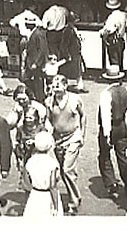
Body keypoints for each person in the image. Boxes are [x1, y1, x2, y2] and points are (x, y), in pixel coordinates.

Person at [45, 74, 85, 215]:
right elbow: (49, 120)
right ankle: (75, 195)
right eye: (53, 86)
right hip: (57, 140)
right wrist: (49, 132)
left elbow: (83, 116)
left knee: (67, 169)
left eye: (58, 85)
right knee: (63, 171)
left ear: (65, 86)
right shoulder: (49, 102)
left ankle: (73, 203)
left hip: (73, 138)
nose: (55, 88)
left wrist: (82, 134)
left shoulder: (75, 100)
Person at [98, 68, 127, 200]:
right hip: (123, 126)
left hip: (110, 127)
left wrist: (106, 133)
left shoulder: (106, 94)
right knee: (124, 156)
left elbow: (105, 115)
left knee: (105, 155)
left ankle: (111, 183)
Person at [6, 84, 49, 190]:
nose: (21, 101)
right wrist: (16, 112)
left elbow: (44, 127)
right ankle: (25, 183)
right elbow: (8, 125)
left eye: (23, 99)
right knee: (22, 165)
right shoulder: (17, 109)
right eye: (18, 99)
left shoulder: (39, 108)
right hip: (21, 141)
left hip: (36, 141)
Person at [21, 131, 62, 217]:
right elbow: (52, 186)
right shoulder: (52, 163)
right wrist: (55, 206)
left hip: (34, 195)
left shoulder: (30, 162)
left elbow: (26, 182)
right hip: (47, 196)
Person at [24, 15, 49, 103]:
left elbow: (42, 50)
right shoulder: (33, 33)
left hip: (36, 63)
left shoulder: (38, 34)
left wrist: (37, 63)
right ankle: (35, 95)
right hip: (31, 62)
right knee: (29, 79)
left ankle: (40, 98)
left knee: (38, 81)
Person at [100, 0, 127, 72]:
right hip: (120, 39)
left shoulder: (112, 17)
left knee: (114, 61)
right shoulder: (123, 15)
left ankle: (116, 78)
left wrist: (103, 34)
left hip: (113, 40)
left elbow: (108, 30)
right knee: (120, 60)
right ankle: (120, 77)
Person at [63, 12, 87, 93]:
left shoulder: (73, 29)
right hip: (72, 53)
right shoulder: (68, 30)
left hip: (76, 52)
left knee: (78, 70)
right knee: (72, 70)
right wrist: (67, 54)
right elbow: (65, 44)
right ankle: (69, 86)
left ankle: (80, 85)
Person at [42, 0, 67, 69]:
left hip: (51, 33)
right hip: (61, 32)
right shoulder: (64, 10)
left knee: (52, 51)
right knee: (60, 50)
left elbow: (44, 25)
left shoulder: (47, 12)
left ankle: (53, 68)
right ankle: (60, 68)